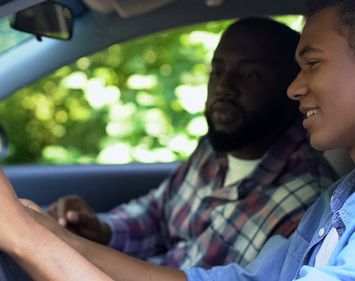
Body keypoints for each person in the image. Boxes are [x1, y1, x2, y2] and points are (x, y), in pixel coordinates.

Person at [45, 17, 337, 269]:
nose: (223, 87)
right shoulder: (215, 149)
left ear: (293, 90)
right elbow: (158, 212)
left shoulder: (306, 202)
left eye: (250, 75)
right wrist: (102, 230)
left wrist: (68, 254)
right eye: (218, 70)